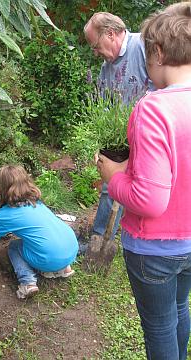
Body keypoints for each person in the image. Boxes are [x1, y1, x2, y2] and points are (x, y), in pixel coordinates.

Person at [98, 3, 191, 359]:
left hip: (155, 250)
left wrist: (114, 178)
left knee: (159, 327)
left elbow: (150, 201)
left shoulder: (153, 108)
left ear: (158, 53)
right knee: (180, 309)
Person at [84, 12, 153, 241]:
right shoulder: (106, 68)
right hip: (120, 138)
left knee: (148, 185)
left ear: (111, 34)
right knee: (111, 185)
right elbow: (106, 107)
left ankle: (145, 235)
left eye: (95, 46)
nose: (95, 52)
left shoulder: (143, 46)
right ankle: (100, 237)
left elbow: (162, 88)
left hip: (150, 133)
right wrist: (101, 141)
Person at [0, 164, 78, 299]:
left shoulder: (5, 214)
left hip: (51, 257)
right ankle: (63, 269)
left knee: (14, 247)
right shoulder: (36, 203)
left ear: (1, 189)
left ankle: (28, 282)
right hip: (71, 249)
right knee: (39, 241)